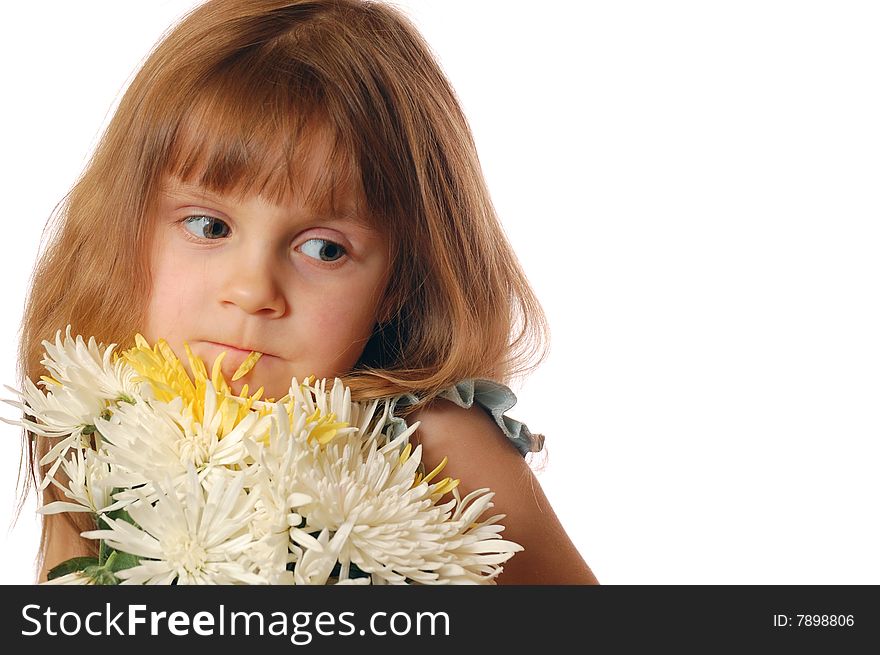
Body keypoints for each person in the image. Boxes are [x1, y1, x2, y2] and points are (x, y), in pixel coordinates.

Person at [16, 0, 598, 585]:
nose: (252, 292)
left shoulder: (437, 441)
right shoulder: (99, 421)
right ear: (128, 227)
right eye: (209, 227)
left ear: (400, 282)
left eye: (324, 249)